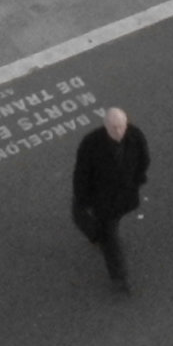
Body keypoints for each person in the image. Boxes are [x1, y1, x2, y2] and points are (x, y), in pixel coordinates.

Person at [71, 107, 150, 291]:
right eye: (114, 127)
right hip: (105, 198)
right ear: (105, 126)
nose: (118, 131)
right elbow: (82, 174)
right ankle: (98, 237)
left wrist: (136, 181)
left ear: (126, 124)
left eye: (121, 126)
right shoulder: (91, 144)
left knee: (110, 238)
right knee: (82, 217)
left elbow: (144, 161)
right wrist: (82, 197)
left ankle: (119, 276)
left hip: (113, 201)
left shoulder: (135, 137)